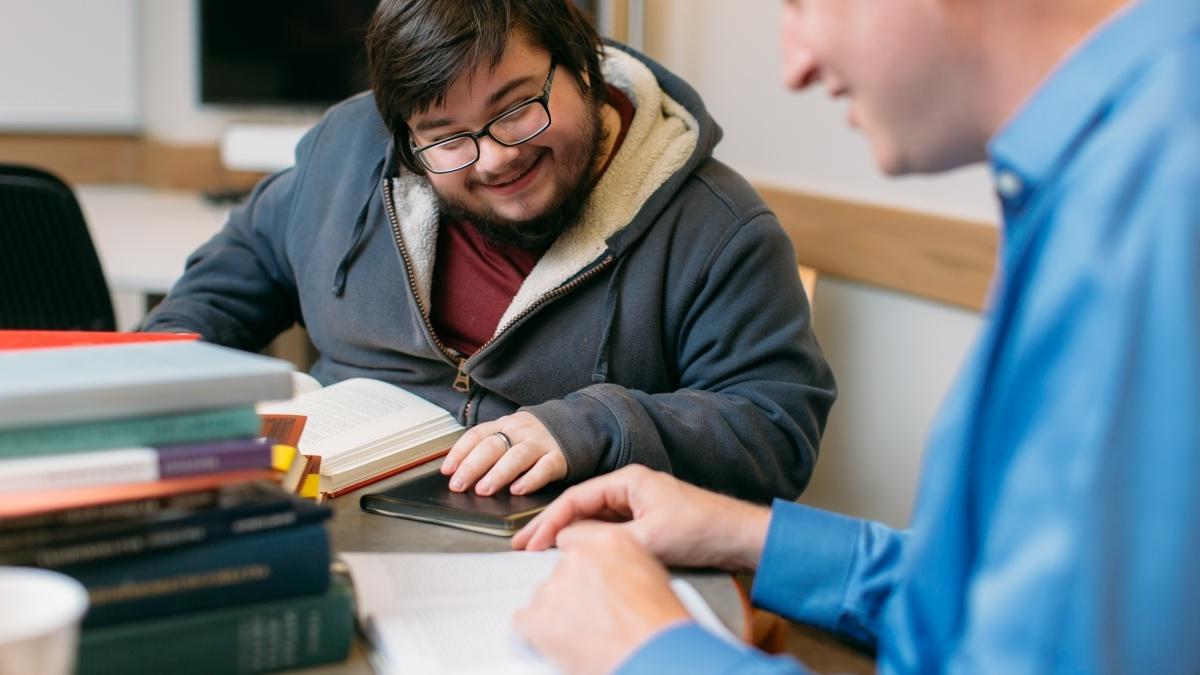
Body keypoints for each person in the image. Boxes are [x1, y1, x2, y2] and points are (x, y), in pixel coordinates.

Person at [512, 0, 1200, 672]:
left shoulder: (1159, 203)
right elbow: (991, 607)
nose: (795, 64)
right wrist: (754, 535)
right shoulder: (1120, 162)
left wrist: (648, 650)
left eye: (805, 4)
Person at [142, 0, 835, 502]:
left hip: (558, 557)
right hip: (329, 525)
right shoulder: (346, 153)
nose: (497, 159)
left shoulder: (718, 229)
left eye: (516, 109)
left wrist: (595, 424)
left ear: (582, 67)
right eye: (447, 138)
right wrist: (164, 372)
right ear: (404, 140)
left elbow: (774, 429)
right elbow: (232, 277)